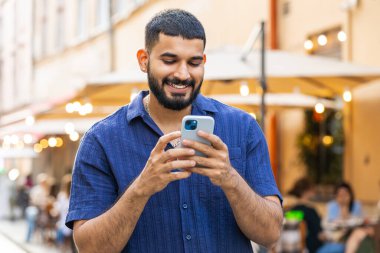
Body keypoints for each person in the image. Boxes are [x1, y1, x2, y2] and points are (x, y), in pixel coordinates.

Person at [66, 9, 283, 253]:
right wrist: (141, 188)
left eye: (194, 62)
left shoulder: (243, 129)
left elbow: (271, 234)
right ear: (143, 60)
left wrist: (230, 179)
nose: (182, 74)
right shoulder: (101, 140)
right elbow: (89, 249)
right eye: (169, 61)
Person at [287, 177, 324, 253]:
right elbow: (320, 235)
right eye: (312, 190)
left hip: (294, 249)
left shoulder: (291, 211)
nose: (314, 192)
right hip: (312, 249)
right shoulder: (311, 211)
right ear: (306, 191)